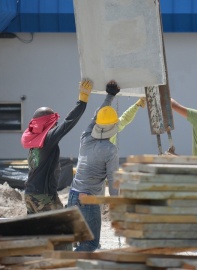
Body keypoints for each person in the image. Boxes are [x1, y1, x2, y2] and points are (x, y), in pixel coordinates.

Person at [20, 78, 93, 214]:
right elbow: (68, 123)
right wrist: (82, 101)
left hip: (30, 194)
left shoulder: (35, 141)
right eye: (54, 122)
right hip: (43, 196)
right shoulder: (48, 139)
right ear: (49, 122)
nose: (56, 125)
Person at [67, 80, 121, 252]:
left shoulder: (86, 137)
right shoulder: (110, 150)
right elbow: (113, 180)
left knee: (80, 242)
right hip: (88, 200)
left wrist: (110, 96)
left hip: (73, 196)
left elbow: (96, 116)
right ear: (114, 127)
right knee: (90, 244)